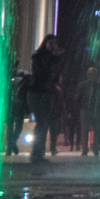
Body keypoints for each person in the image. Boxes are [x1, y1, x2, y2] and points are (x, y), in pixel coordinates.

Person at [26, 34, 63, 162]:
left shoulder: (54, 58)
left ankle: (38, 152)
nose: (53, 46)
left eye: (55, 44)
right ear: (45, 43)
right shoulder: (38, 57)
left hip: (48, 92)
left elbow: (56, 75)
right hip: (37, 92)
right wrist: (53, 58)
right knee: (42, 122)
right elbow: (41, 72)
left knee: (44, 123)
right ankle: (36, 152)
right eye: (50, 43)